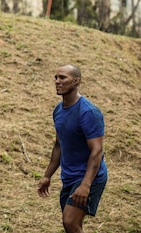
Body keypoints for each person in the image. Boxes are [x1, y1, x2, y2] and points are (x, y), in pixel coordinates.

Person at [37, 64, 108, 233]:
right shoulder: (58, 111)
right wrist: (47, 176)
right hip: (69, 177)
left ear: (76, 81)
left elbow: (97, 151)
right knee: (72, 226)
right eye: (56, 77)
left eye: (62, 78)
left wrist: (85, 185)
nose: (57, 81)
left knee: (70, 222)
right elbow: (58, 145)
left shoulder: (88, 112)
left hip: (89, 176)